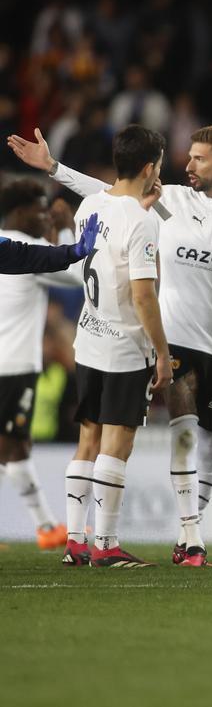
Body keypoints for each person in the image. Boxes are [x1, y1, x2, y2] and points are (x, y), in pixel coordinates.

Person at [9, 125, 212, 568]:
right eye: (187, 156)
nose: (187, 164)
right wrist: (55, 168)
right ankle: (186, 539)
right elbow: (112, 193)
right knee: (180, 433)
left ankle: (169, 533)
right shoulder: (170, 201)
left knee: (209, 444)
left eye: (198, 158)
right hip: (169, 335)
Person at [58, 124, 173, 567]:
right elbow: (143, 295)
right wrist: (162, 353)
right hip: (126, 346)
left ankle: (74, 542)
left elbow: (104, 249)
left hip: (88, 338)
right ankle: (105, 544)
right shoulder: (143, 223)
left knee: (88, 437)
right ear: (150, 168)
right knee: (117, 443)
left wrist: (141, 206)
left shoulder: (90, 205)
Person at [0, 182, 84, 549]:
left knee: (15, 446)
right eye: (40, 209)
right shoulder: (25, 253)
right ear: (19, 213)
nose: (46, 214)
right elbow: (77, 274)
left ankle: (47, 526)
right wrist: (65, 228)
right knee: (11, 446)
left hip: (9, 363)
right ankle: (48, 527)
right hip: (14, 366)